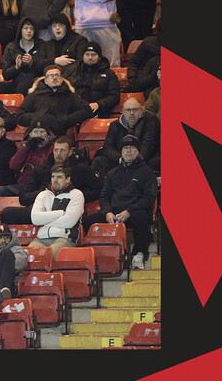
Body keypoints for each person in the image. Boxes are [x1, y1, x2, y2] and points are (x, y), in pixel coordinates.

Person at [81, 135, 158, 270]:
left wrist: (129, 211)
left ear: (138, 151)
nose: (128, 151)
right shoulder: (112, 173)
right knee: (86, 222)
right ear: (121, 152)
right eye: (125, 148)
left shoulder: (147, 172)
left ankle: (139, 254)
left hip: (134, 212)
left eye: (132, 148)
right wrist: (107, 212)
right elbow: (104, 197)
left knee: (141, 217)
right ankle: (86, 256)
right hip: (113, 214)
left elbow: (149, 197)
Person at [0, 135, 101, 225]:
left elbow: (97, 190)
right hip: (41, 208)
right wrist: (45, 194)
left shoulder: (82, 169)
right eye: (56, 150)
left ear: (70, 152)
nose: (58, 153)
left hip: (67, 209)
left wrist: (70, 196)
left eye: (62, 150)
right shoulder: (40, 169)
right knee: (7, 213)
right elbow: (23, 198)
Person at [15, 64, 94, 138]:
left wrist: (66, 120)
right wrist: (38, 117)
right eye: (50, 76)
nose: (54, 78)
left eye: (57, 75)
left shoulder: (70, 95)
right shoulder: (34, 95)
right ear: (45, 80)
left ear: (62, 79)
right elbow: (19, 116)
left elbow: (86, 109)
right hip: (37, 135)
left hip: (59, 136)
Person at [91, 96, 161, 175]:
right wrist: (121, 159)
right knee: (99, 161)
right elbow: (108, 147)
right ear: (123, 111)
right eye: (128, 110)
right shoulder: (115, 125)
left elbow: (148, 145)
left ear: (142, 110)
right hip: (121, 161)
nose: (132, 113)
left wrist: (135, 160)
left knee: (158, 162)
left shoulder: (151, 120)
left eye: (135, 109)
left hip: (144, 160)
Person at [29, 164, 85, 259]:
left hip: (64, 239)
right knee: (25, 258)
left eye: (59, 177)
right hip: (41, 239)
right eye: (53, 176)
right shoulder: (43, 195)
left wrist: (44, 219)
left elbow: (68, 222)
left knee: (46, 257)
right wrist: (60, 213)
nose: (55, 180)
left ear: (67, 179)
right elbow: (35, 219)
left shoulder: (76, 195)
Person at [0, 120, 56, 198]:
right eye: (35, 132)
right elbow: (13, 165)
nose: (39, 135)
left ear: (48, 135)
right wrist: (26, 148)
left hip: (44, 186)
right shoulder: (24, 147)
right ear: (30, 134)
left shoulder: (54, 148)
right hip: (24, 185)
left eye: (42, 132)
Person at [63, 43, 121, 118]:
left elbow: (114, 96)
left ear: (99, 57)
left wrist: (98, 104)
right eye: (87, 54)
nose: (90, 57)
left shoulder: (109, 74)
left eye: (93, 55)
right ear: (83, 56)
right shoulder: (72, 70)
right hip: (72, 108)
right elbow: (61, 88)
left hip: (94, 110)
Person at [0, 17, 51, 95]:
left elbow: (46, 68)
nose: (29, 31)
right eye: (26, 28)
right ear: (20, 30)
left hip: (36, 83)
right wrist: (16, 67)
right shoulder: (11, 47)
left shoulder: (42, 46)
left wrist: (32, 63)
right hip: (16, 83)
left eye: (32, 28)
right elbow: (6, 76)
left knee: (23, 86)